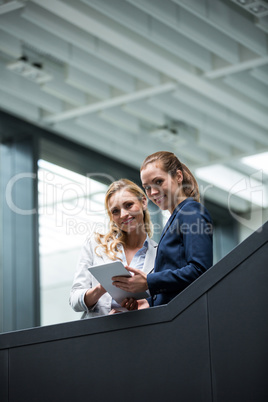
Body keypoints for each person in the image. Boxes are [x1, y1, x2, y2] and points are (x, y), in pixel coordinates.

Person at [112, 151, 213, 309]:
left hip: (185, 315)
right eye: (147, 187)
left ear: (178, 177)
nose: (153, 192)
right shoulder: (177, 217)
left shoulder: (191, 211)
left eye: (158, 181)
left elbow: (200, 270)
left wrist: (149, 281)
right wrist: (147, 303)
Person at [69, 179, 157, 318]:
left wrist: (142, 304)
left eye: (129, 205)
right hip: (99, 333)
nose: (123, 215)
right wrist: (101, 288)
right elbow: (74, 300)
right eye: (115, 211)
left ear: (144, 202)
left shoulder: (159, 253)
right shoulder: (95, 245)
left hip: (143, 332)